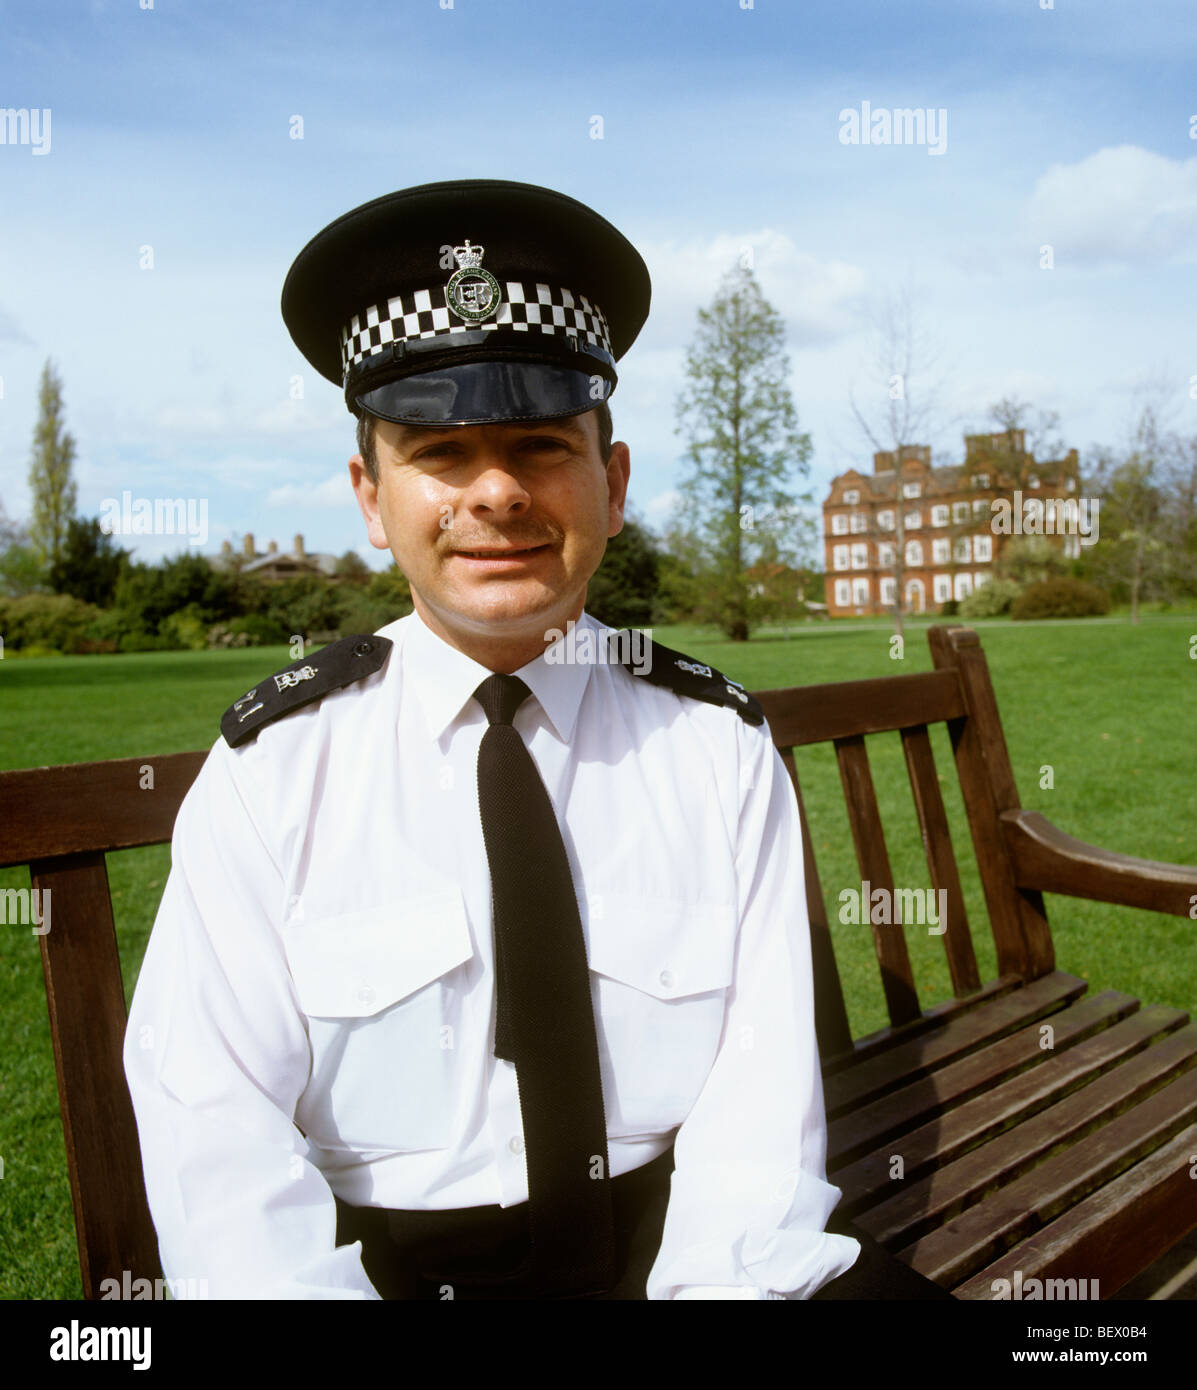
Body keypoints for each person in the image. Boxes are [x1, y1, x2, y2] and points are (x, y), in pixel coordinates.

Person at [122, 179, 947, 1301]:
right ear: (372, 498)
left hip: (688, 1253)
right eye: (440, 451)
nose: (498, 490)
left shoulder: (713, 746)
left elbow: (754, 1116)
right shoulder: (273, 774)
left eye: (539, 444)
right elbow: (214, 1141)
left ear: (610, 483)